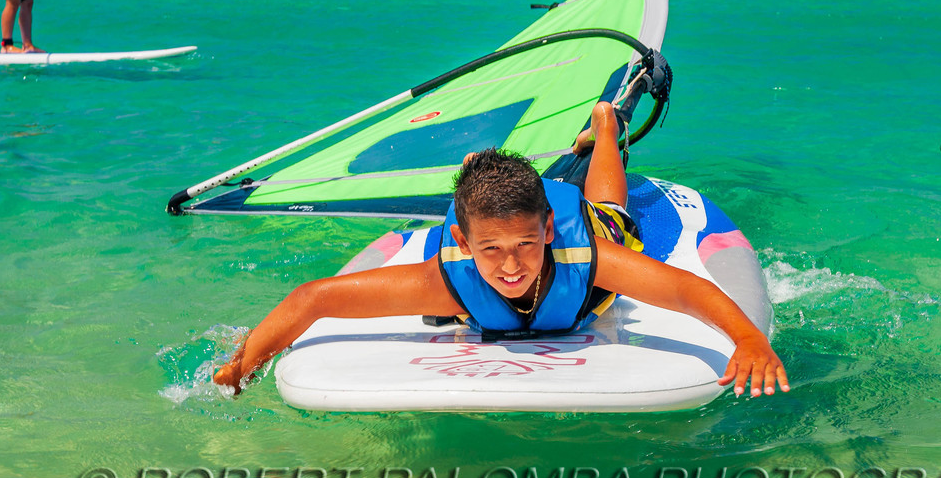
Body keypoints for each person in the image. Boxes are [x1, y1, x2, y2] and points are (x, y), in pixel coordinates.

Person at [213, 101, 790, 398]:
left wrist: (747, 341)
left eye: (524, 245)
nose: (510, 266)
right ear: (463, 242)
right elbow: (312, 300)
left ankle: (605, 131)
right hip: (493, 215)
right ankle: (479, 174)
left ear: (545, 233)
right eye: (490, 250)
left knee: (611, 208)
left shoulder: (584, 259)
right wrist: (245, 364)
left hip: (582, 221)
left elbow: (689, 292)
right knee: (490, 209)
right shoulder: (449, 273)